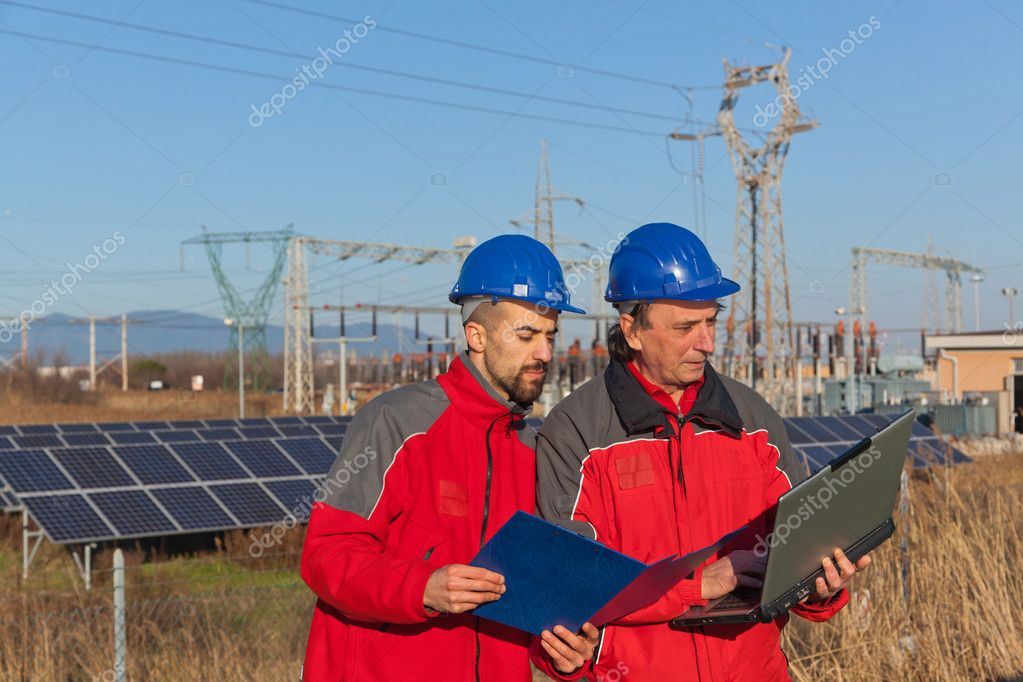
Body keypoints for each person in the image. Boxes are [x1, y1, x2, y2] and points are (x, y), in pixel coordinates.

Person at [536, 223, 870, 681]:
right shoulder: (576, 431)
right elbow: (571, 587)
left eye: (711, 321)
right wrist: (698, 587)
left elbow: (796, 548)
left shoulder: (753, 419)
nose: (707, 343)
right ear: (632, 329)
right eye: (685, 327)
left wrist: (821, 586)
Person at [300, 234, 598, 681]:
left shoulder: (532, 451)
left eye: (550, 336)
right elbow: (326, 556)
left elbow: (530, 599)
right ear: (475, 335)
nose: (544, 353)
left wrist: (563, 654)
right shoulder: (398, 422)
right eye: (526, 334)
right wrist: (423, 588)